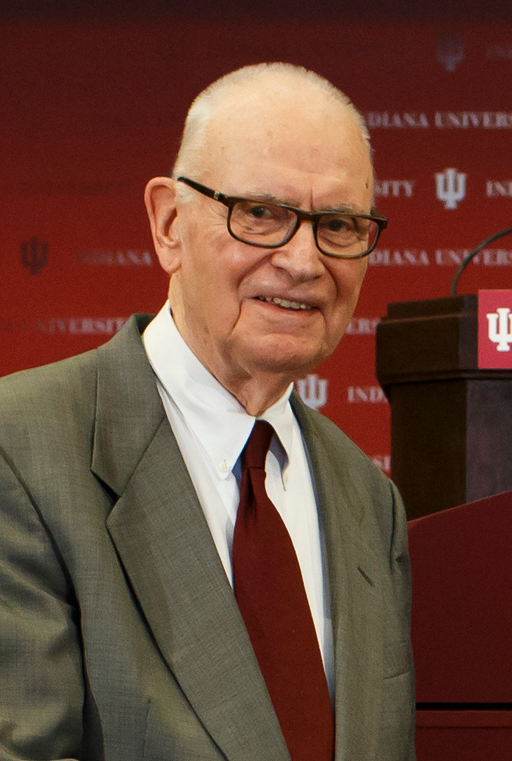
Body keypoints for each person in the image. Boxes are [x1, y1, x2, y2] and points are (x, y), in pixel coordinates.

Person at [0, 63, 415, 761]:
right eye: (261, 214)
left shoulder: (371, 502)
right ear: (168, 223)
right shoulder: (22, 448)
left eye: (338, 224)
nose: (304, 260)